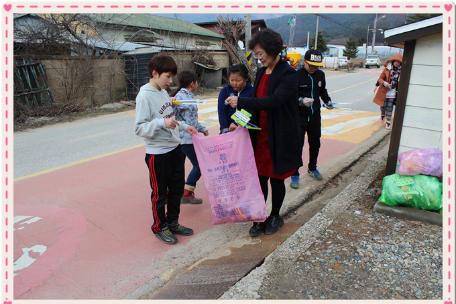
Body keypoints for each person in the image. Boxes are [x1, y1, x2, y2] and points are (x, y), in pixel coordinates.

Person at [226, 29, 302, 237]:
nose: (258, 58)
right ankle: (259, 216)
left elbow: (274, 102)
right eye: (256, 54)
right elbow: (255, 106)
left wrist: (240, 101)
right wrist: (237, 121)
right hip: (260, 136)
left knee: (276, 179)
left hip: (280, 136)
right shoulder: (260, 73)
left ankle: (275, 215)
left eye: (260, 53)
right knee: (259, 180)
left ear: (272, 49)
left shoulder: (289, 74)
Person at [135, 54, 197, 245]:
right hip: (158, 155)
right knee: (160, 193)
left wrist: (185, 127)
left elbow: (171, 118)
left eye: (172, 77)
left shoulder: (162, 92)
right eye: (167, 77)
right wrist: (162, 123)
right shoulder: (144, 95)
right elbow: (139, 128)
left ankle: (173, 223)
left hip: (175, 149)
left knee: (176, 190)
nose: (170, 81)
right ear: (155, 73)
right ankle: (159, 226)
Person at [290, 49, 335, 189]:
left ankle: (312, 167)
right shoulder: (296, 75)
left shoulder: (320, 75)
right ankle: (294, 173)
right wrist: (301, 101)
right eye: (311, 65)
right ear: (305, 62)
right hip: (299, 116)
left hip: (315, 115)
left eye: (316, 66)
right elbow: (290, 96)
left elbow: (323, 91)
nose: (314, 68)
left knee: (315, 143)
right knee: (297, 145)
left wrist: (327, 101)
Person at [172, 71, 208, 204]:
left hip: (190, 137)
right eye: (196, 81)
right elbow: (174, 117)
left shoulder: (188, 96)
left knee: (194, 166)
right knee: (200, 165)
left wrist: (203, 129)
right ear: (192, 83)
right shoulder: (181, 97)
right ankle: (186, 193)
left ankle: (184, 193)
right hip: (185, 138)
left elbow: (191, 120)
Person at [218, 64, 254, 134]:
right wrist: (224, 128)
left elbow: (250, 110)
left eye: (238, 80)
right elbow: (221, 111)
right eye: (232, 80)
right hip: (228, 129)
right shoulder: (225, 91)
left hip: (246, 131)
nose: (234, 83)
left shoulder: (252, 91)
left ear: (246, 79)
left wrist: (236, 123)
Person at [373, 53, 402, 130]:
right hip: (383, 91)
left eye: (399, 62)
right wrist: (384, 83)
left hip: (393, 93)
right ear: (393, 61)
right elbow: (380, 79)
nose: (397, 63)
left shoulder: (401, 71)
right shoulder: (387, 69)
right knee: (382, 106)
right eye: (396, 61)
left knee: (389, 107)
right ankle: (382, 114)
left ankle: (388, 122)